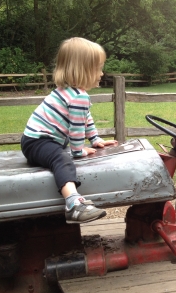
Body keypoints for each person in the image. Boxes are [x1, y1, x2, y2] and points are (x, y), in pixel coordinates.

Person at [20, 37, 117, 224]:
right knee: (62, 159)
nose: (102, 73)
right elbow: (76, 128)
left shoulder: (71, 92)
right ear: (83, 70)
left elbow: (85, 117)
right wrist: (78, 150)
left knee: (61, 154)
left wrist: (95, 138)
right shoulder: (77, 96)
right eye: (98, 68)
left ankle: (74, 202)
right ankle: (74, 203)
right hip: (38, 142)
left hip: (34, 140)